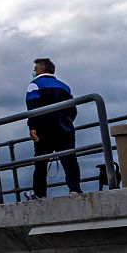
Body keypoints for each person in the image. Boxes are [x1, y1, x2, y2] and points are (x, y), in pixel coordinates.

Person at [26, 58, 82, 197]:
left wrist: (32, 126)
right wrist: (67, 121)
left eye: (35, 68)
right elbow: (73, 109)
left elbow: (33, 106)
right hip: (65, 129)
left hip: (43, 129)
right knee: (69, 159)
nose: (34, 71)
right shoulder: (64, 86)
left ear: (42, 69)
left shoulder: (34, 84)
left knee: (41, 162)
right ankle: (75, 189)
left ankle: (40, 193)